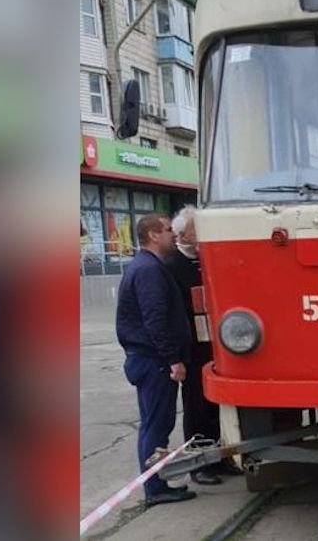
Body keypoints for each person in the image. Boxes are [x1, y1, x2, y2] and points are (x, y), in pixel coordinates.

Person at [115, 213, 195, 507]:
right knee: (157, 425)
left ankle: (155, 483)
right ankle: (155, 487)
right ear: (152, 235)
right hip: (153, 361)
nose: (172, 234)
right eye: (166, 230)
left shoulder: (146, 266)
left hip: (147, 358)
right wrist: (173, 358)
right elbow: (155, 320)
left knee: (153, 423)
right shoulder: (149, 270)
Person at [162, 206, 240, 484]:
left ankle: (219, 458)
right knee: (195, 407)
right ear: (184, 233)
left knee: (216, 407)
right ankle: (199, 464)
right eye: (199, 228)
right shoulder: (172, 266)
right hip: (192, 347)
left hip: (215, 344)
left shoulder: (205, 259)